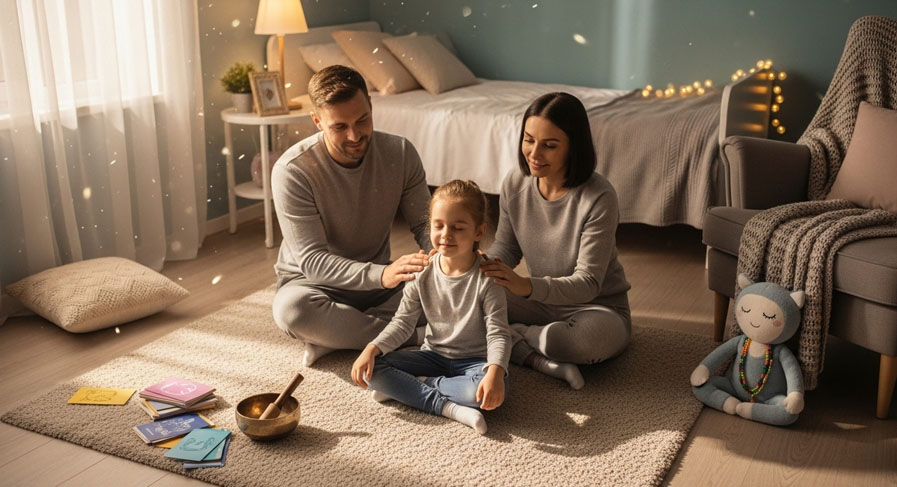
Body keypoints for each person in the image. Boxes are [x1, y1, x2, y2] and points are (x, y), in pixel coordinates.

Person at [271, 65, 432, 367]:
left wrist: (445, 259)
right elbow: (314, 262)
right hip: (313, 286)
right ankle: (414, 337)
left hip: (379, 289)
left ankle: (338, 339)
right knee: (293, 312)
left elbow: (425, 224)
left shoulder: (400, 152)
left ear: (371, 106)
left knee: (460, 290)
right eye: (339, 127)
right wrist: (381, 274)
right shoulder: (292, 171)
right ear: (317, 121)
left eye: (362, 120)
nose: (355, 135)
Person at [479, 92, 632, 390]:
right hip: (537, 302)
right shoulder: (514, 183)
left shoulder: (599, 196)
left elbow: (588, 282)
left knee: (580, 343)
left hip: (595, 308)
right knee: (467, 294)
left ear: (573, 148)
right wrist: (479, 263)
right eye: (529, 139)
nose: (534, 154)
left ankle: (512, 336)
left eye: (549, 145)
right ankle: (533, 356)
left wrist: (525, 286)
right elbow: (507, 248)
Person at [351, 180, 511, 435]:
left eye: (458, 228)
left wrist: (495, 373)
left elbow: (498, 333)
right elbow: (403, 322)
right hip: (433, 355)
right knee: (373, 370)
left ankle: (412, 388)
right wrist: (372, 348)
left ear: (478, 232)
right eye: (438, 226)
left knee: (482, 391)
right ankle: (449, 408)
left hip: (473, 363)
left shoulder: (488, 278)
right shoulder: (422, 270)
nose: (446, 235)